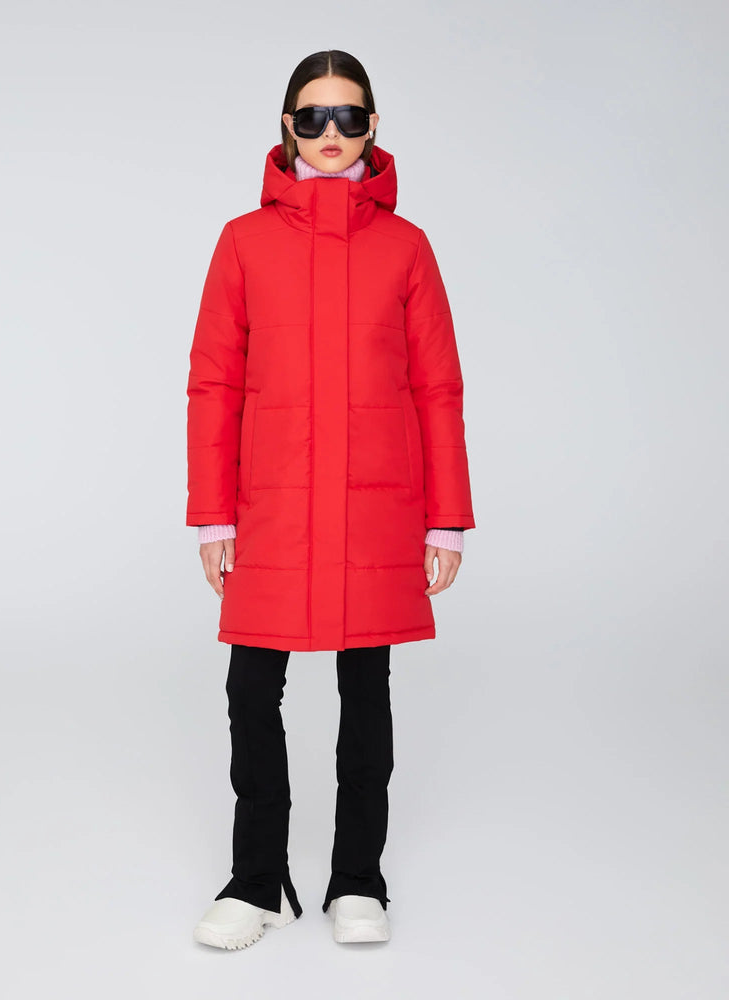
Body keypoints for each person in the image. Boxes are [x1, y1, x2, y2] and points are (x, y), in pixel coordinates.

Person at [187, 50, 476, 950]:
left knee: (366, 689)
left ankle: (358, 877)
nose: (330, 134)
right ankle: (255, 880)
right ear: (287, 126)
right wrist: (212, 514)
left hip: (374, 508)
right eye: (312, 117)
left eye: (348, 117)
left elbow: (437, 387)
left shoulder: (406, 247)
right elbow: (213, 384)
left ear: (373, 126)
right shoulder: (243, 241)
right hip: (270, 503)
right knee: (250, 688)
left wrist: (445, 519)